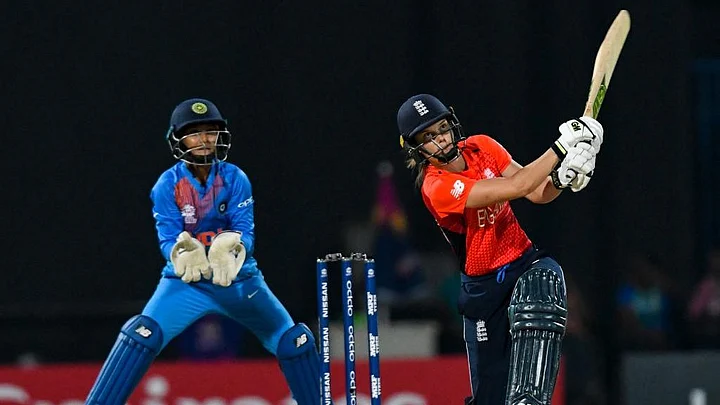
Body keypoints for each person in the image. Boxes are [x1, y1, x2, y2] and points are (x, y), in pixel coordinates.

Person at [86, 98, 324, 405]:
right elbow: (167, 239)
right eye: (194, 133)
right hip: (187, 283)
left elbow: (246, 232)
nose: (204, 139)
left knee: (294, 341)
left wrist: (234, 245)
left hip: (239, 282)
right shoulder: (167, 185)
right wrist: (180, 253)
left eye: (210, 131)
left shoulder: (235, 178)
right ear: (178, 139)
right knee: (141, 334)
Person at [396, 94, 603, 405]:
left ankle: (529, 398)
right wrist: (562, 147)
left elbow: (537, 191)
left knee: (544, 282)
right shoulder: (436, 186)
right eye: (428, 136)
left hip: (524, 262)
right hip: (484, 291)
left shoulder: (482, 147)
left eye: (442, 128)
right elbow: (516, 187)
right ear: (416, 148)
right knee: (490, 397)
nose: (441, 139)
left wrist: (562, 178)